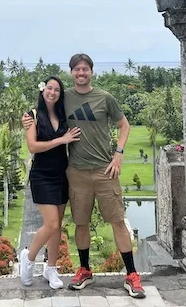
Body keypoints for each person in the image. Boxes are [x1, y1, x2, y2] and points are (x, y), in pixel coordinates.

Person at [22, 53, 145, 299]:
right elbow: (46, 106)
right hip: (75, 171)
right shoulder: (64, 97)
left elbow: (124, 125)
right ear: (71, 73)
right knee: (81, 223)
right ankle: (85, 270)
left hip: (104, 169)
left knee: (117, 221)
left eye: (85, 69)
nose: (81, 73)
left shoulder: (104, 98)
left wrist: (119, 153)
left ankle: (131, 274)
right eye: (76, 69)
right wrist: (29, 117)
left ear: (91, 72)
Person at [19, 76, 81, 289]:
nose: (52, 92)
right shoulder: (32, 116)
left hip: (61, 174)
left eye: (56, 89)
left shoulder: (63, 114)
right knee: (51, 223)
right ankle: (28, 257)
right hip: (42, 176)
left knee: (57, 227)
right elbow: (33, 147)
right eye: (49, 88)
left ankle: (51, 269)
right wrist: (61, 140)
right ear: (42, 90)